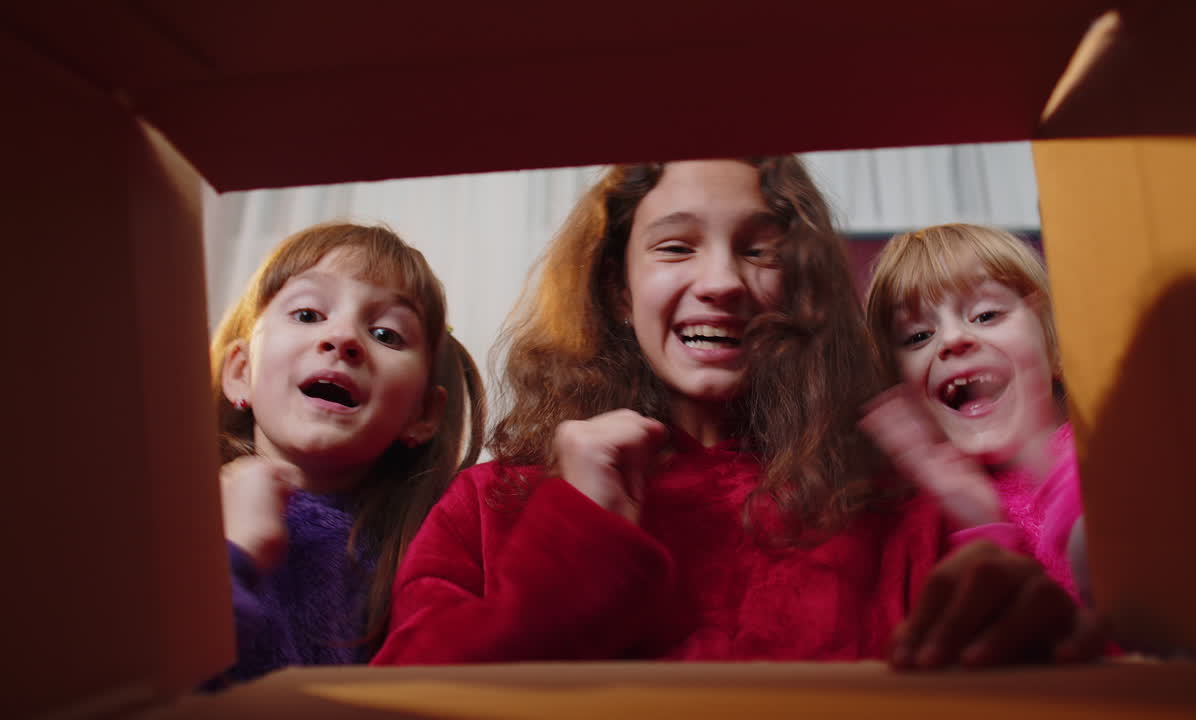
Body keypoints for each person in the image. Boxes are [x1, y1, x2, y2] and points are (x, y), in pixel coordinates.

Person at [373, 160, 1101, 669]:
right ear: (620, 292)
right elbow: (402, 697)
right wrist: (575, 534)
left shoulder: (891, 510)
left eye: (759, 250)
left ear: (801, 293)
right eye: (676, 246)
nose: (721, 281)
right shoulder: (488, 503)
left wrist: (1019, 642)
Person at [208, 222, 485, 684]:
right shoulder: (174, 518)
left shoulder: (427, 557)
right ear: (240, 372)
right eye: (307, 315)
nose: (343, 339)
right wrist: (234, 552)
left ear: (421, 414)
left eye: (386, 333)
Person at [861, 223, 1087, 602]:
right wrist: (983, 523)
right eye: (918, 336)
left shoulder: (1108, 468)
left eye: (985, 315)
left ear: (1051, 342)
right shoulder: (920, 525)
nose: (952, 340)